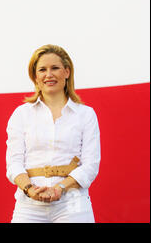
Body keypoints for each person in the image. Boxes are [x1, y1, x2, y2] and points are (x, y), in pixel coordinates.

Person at [5, 44, 100, 223]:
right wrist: (30, 189)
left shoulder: (86, 114)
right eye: (42, 69)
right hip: (28, 206)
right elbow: (14, 164)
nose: (48, 74)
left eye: (55, 68)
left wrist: (61, 188)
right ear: (35, 77)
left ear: (67, 72)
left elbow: (91, 165)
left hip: (74, 203)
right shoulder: (21, 114)